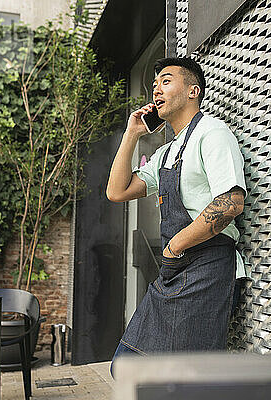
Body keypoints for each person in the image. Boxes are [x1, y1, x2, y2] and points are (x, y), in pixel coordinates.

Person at [106, 57, 246, 375]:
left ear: (193, 90)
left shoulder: (213, 133)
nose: (156, 87)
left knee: (179, 378)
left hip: (209, 269)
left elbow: (231, 201)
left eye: (166, 80)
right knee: (127, 365)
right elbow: (117, 192)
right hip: (175, 271)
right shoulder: (167, 152)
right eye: (154, 83)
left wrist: (174, 246)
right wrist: (132, 135)